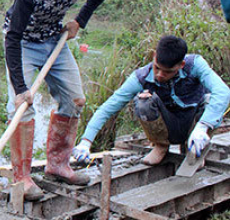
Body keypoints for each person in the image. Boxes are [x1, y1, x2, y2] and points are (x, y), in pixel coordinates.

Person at [4, 0, 114, 200]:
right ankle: (23, 178)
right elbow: (13, 37)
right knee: (22, 108)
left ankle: (57, 165)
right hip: (24, 43)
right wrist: (19, 89)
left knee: (74, 99)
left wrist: (81, 20)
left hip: (55, 39)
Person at [73, 35, 230, 166]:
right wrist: (86, 142)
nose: (160, 75)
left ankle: (192, 149)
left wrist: (203, 127)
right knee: (143, 102)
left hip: (194, 124)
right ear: (154, 57)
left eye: (168, 72)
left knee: (211, 100)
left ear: (181, 65)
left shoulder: (195, 65)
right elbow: (108, 107)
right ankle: (161, 147)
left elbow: (223, 92)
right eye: (157, 68)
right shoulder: (141, 77)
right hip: (167, 127)